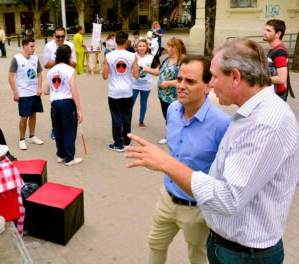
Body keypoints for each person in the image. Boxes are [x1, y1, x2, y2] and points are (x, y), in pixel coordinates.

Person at [125, 38, 299, 264]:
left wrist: (165, 163)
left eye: (214, 77)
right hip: (231, 245)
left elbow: (228, 198)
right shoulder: (252, 115)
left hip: (243, 254)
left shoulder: (263, 123)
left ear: (235, 77)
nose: (212, 85)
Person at [147, 55, 231, 264]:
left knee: (197, 257)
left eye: (190, 81)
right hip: (166, 198)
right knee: (155, 244)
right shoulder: (173, 110)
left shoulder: (223, 124)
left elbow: (226, 175)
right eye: (179, 79)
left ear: (208, 86)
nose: (181, 86)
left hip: (198, 210)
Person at [44, 44, 83, 166]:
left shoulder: (51, 71)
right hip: (67, 102)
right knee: (69, 130)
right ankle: (70, 158)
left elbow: (46, 91)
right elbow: (73, 90)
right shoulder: (70, 70)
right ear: (69, 56)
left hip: (55, 103)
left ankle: (60, 154)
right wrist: (79, 109)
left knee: (58, 129)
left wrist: (57, 88)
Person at [102, 31, 139, 152]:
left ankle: (118, 143)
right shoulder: (133, 56)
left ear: (115, 40)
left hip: (114, 92)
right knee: (127, 117)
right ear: (126, 41)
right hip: (128, 91)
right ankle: (127, 142)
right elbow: (137, 75)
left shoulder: (109, 56)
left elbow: (105, 76)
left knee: (116, 117)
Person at [9, 37, 44, 151]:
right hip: (23, 93)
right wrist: (15, 92)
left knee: (33, 114)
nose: (33, 48)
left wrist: (39, 88)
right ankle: (22, 139)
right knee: (24, 117)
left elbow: (39, 74)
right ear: (24, 46)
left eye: (34, 46)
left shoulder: (35, 58)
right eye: (31, 46)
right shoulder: (16, 59)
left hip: (34, 93)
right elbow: (10, 76)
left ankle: (32, 136)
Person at [43, 26, 77, 140]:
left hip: (67, 77)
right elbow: (46, 65)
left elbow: (74, 64)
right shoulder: (48, 46)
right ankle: (55, 129)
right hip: (55, 77)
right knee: (55, 103)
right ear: (54, 36)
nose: (60, 39)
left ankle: (67, 129)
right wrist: (58, 61)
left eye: (63, 36)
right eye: (58, 36)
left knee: (69, 101)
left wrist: (65, 60)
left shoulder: (70, 45)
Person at [152, 37, 187, 145]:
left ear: (177, 47)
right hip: (163, 95)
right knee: (167, 117)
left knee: (176, 118)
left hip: (174, 97)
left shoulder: (183, 61)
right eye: (168, 46)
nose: (169, 48)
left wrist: (168, 83)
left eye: (171, 46)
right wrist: (145, 69)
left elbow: (185, 80)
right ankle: (170, 136)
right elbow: (159, 72)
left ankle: (177, 138)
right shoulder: (167, 59)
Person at [263, 19, 288, 101]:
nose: (264, 32)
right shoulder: (274, 49)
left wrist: (259, 79)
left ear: (278, 34)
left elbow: (281, 78)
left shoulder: (279, 52)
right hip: (272, 93)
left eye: (268, 30)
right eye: (265, 29)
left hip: (276, 96)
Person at [132, 39, 154, 129]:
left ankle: (141, 121)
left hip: (146, 85)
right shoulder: (133, 56)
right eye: (140, 46)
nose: (142, 48)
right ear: (137, 47)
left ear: (147, 47)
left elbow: (156, 70)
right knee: (130, 103)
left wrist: (147, 69)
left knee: (143, 103)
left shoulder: (151, 57)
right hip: (134, 84)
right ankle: (126, 120)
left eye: (144, 46)